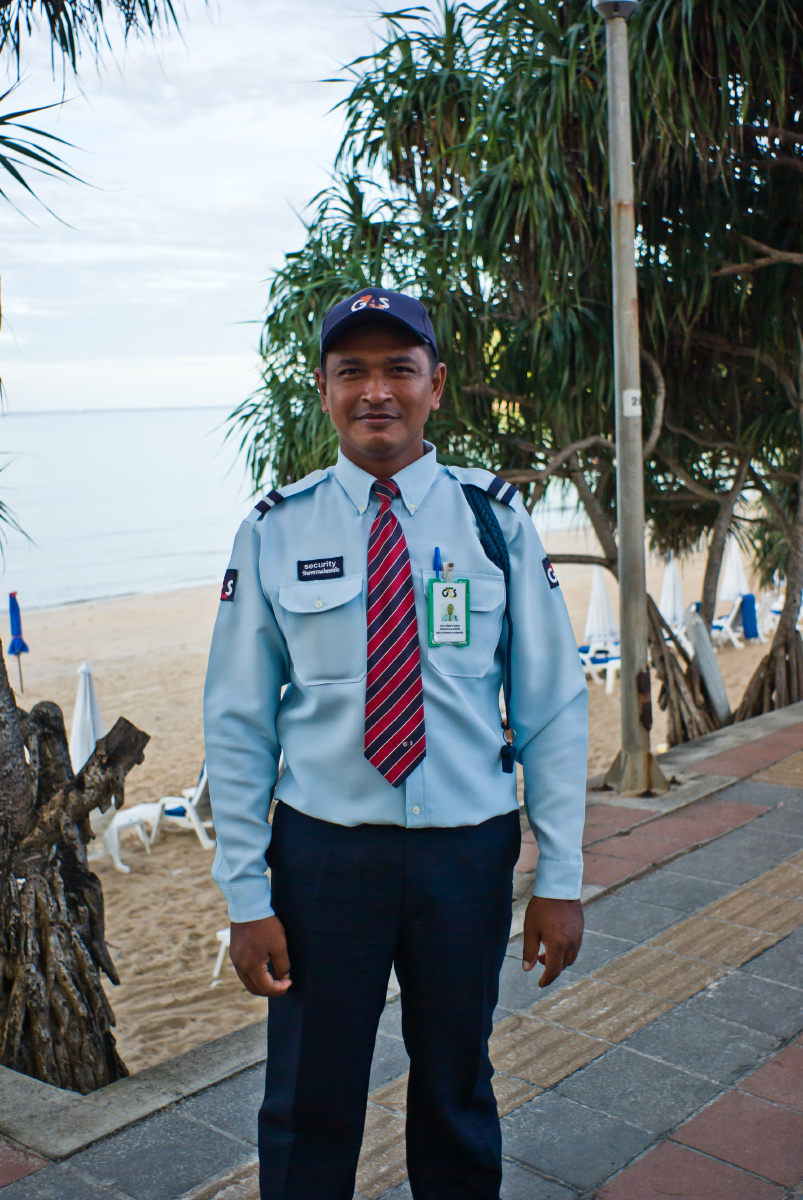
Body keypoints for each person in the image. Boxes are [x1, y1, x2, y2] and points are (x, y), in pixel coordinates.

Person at [204, 286, 588, 1200]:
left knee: (456, 1084)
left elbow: (551, 705)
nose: (376, 390)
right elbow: (238, 722)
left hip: (466, 850)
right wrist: (246, 894)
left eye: (397, 369)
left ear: (435, 384)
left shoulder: (493, 520)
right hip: (322, 858)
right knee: (307, 1096)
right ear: (325, 388)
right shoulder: (274, 529)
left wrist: (561, 879)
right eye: (353, 371)